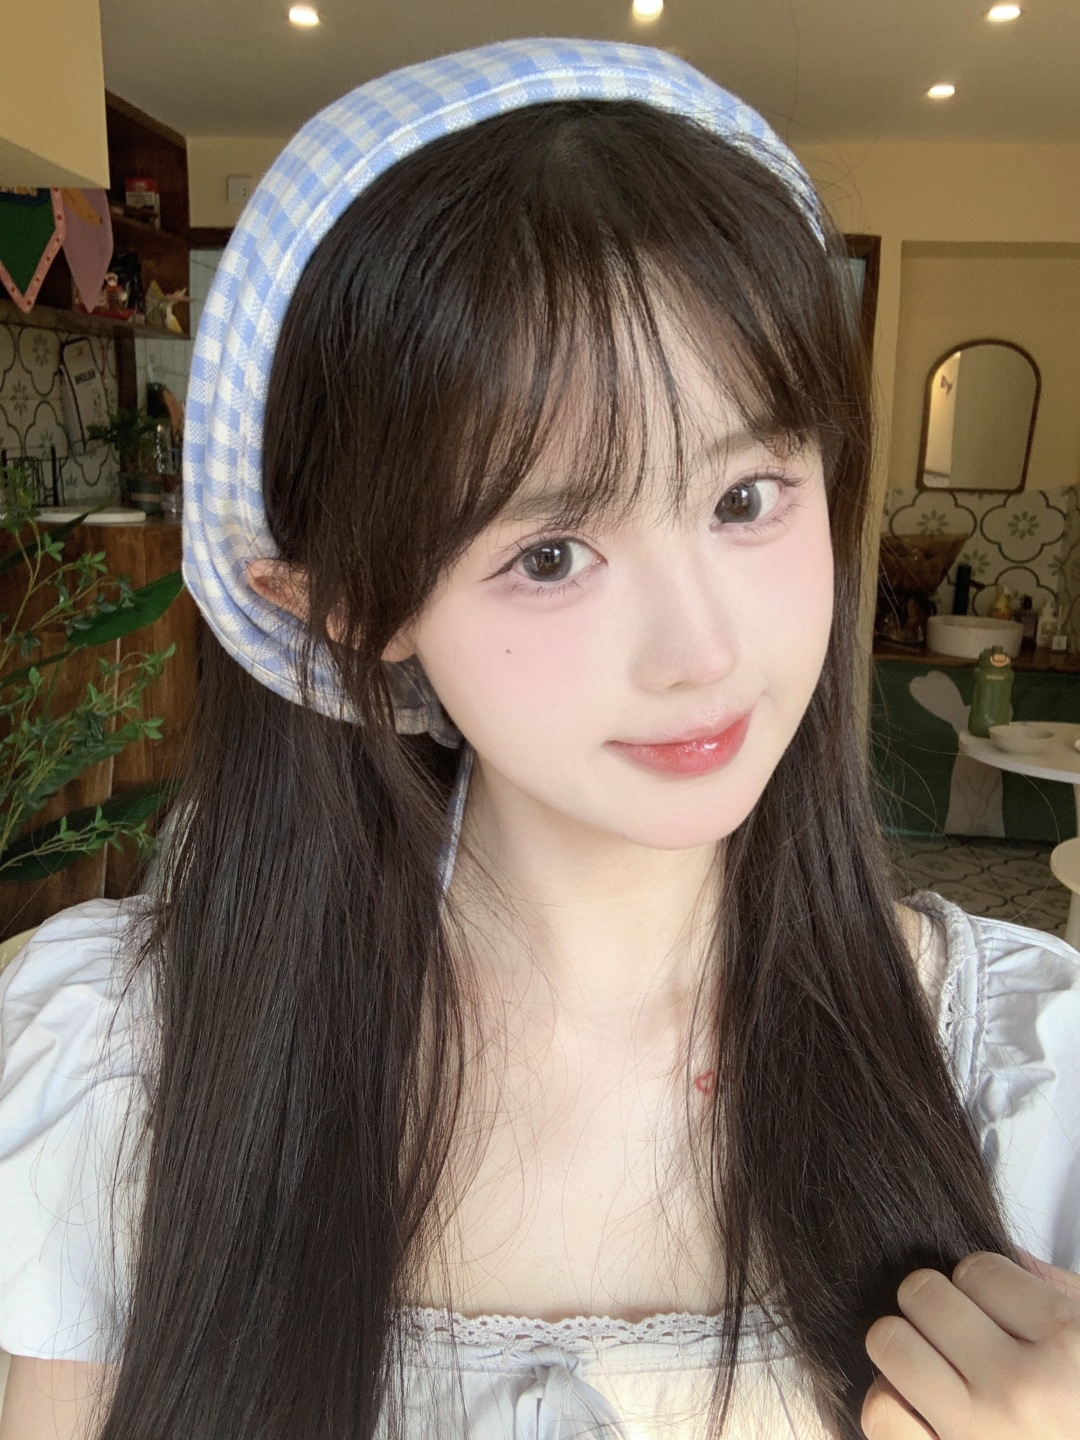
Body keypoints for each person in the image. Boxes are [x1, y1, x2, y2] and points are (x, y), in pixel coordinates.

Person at [0, 36, 1078, 1440]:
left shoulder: (1023, 1078)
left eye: (747, 498)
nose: (703, 653)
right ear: (347, 602)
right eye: (552, 552)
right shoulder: (131, 1067)